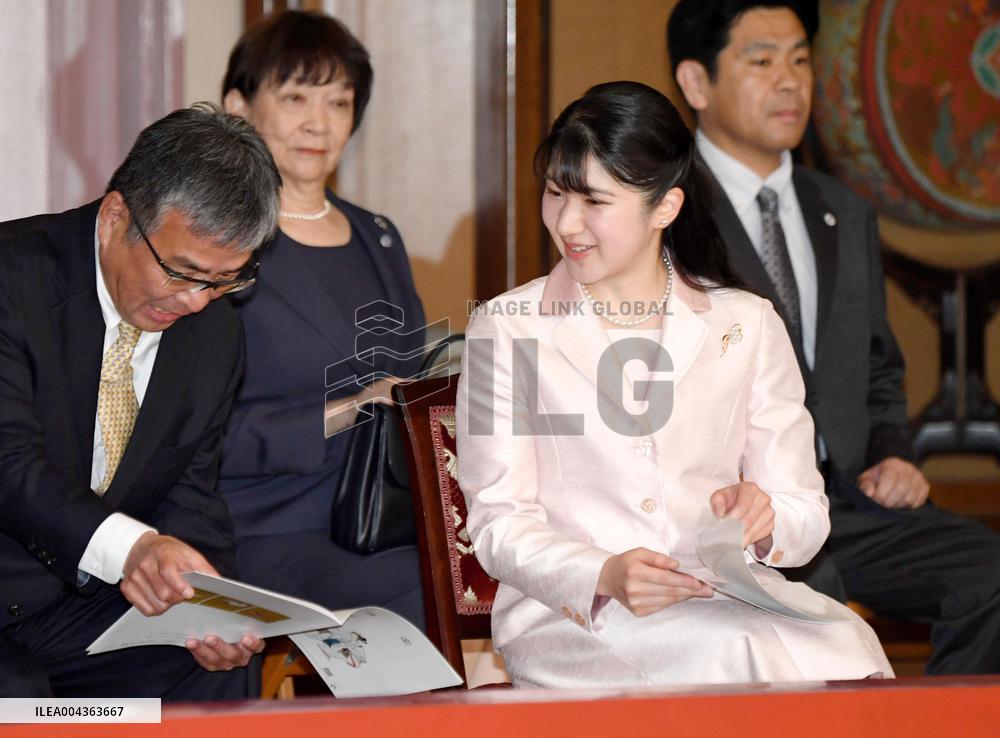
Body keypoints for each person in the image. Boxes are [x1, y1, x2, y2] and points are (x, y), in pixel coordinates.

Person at [456, 81, 891, 688]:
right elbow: (498, 523)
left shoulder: (747, 323)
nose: (568, 223)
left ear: (665, 207)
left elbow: (803, 509)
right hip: (576, 617)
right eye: (556, 195)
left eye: (595, 202)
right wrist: (603, 573)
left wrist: (763, 522)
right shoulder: (507, 328)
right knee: (741, 656)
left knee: (847, 647)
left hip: (729, 596)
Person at [668, 0, 1000, 674]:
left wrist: (894, 454)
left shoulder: (842, 209)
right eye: (761, 61)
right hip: (730, 519)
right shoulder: (668, 212)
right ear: (697, 84)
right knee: (810, 632)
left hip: (847, 507)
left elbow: (877, 367)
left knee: (990, 573)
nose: (790, 81)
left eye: (799, 59)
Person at [0, 104, 281, 698]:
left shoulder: (214, 333)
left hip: (69, 605)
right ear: (115, 216)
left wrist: (211, 607)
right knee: (19, 693)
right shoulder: (11, 280)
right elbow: (9, 465)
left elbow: (190, 493)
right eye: (181, 272)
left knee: (209, 669)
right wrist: (136, 550)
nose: (197, 302)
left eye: (225, 279)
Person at [217, 10, 427, 627]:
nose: (318, 122)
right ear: (238, 105)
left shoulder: (378, 237)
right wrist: (347, 410)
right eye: (295, 97)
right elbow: (193, 434)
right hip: (268, 527)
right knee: (429, 597)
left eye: (339, 102)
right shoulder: (218, 243)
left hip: (383, 514)